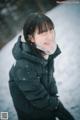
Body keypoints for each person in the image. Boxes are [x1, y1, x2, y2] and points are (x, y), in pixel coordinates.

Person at [9, 12, 75, 120]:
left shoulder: (44, 51)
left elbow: (49, 79)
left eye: (51, 29)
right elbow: (37, 97)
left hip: (47, 101)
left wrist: (54, 98)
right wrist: (55, 104)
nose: (50, 36)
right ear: (31, 38)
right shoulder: (23, 66)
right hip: (33, 113)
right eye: (43, 33)